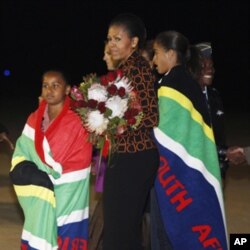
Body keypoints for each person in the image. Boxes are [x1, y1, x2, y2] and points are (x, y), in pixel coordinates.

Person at [151, 31, 228, 249]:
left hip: (177, 176)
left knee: (172, 231)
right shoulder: (186, 81)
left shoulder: (171, 85)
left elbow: (163, 135)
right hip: (191, 172)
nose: (154, 60)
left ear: (170, 53)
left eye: (156, 53)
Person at [9, 70, 92, 249]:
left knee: (64, 232)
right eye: (45, 85)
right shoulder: (33, 118)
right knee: (41, 227)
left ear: (67, 89)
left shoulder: (79, 119)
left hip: (68, 191)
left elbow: (82, 155)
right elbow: (22, 150)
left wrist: (52, 170)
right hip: (42, 189)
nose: (49, 90)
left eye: (56, 85)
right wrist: (34, 174)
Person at [103, 13, 159, 250]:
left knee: (121, 231)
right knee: (120, 229)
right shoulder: (126, 69)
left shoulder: (137, 69)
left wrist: (113, 121)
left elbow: (150, 115)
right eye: (109, 39)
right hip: (126, 156)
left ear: (134, 42)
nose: (111, 44)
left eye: (117, 39)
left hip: (134, 157)